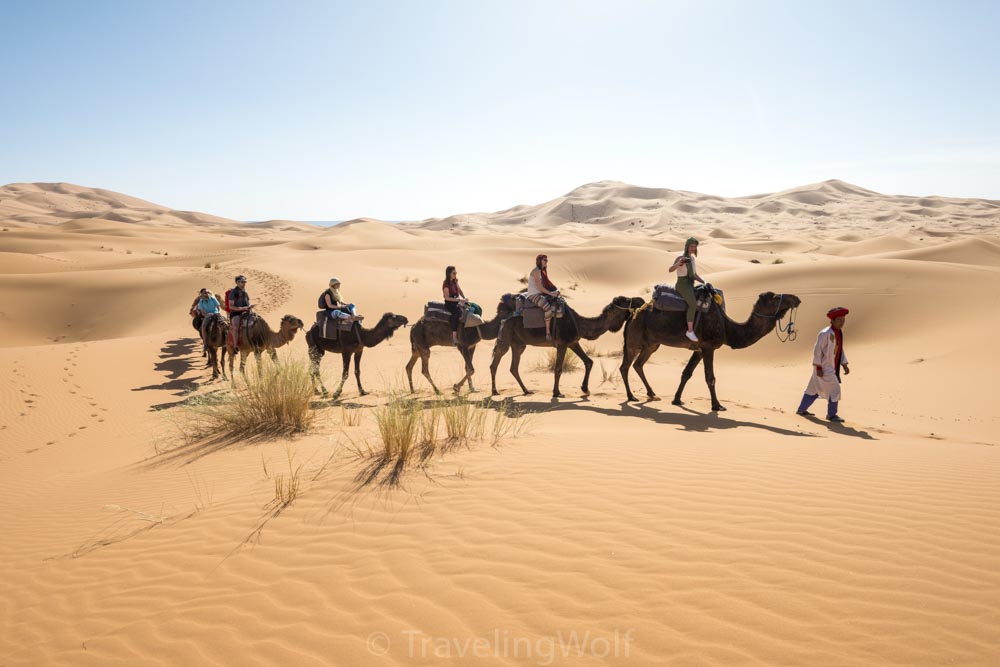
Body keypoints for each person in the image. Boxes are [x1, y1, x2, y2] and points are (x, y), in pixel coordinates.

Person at [796, 307, 851, 422]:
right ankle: (832, 415)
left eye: (843, 320)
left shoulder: (838, 333)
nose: (842, 323)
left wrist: (844, 364)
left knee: (813, 389)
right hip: (824, 368)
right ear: (833, 321)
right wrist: (819, 367)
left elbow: (840, 349)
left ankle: (801, 410)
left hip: (831, 366)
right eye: (839, 320)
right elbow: (817, 351)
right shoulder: (825, 333)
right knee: (835, 389)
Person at [668, 237, 705, 342]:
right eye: (691, 246)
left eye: (695, 247)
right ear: (687, 246)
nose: (693, 248)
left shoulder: (692, 258)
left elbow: (694, 274)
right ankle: (689, 331)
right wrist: (678, 263)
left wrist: (704, 282)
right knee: (693, 304)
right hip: (682, 285)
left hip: (690, 284)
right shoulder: (681, 256)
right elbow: (670, 269)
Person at [526, 254, 560, 341]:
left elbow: (545, 285)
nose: (546, 262)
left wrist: (553, 291)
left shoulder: (542, 271)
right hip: (534, 295)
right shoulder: (536, 271)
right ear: (539, 261)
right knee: (548, 309)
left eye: (547, 260)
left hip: (540, 293)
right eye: (545, 260)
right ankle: (548, 333)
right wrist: (551, 294)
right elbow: (539, 287)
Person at [442, 265, 467, 346]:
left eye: (456, 273)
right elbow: (447, 298)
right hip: (450, 303)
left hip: (456, 301)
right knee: (456, 314)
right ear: (449, 273)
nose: (455, 274)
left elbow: (459, 290)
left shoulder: (455, 281)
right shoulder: (446, 284)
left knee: (469, 309)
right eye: (454, 273)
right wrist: (459, 300)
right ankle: (454, 338)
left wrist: (464, 298)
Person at [227, 275, 252, 348]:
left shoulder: (245, 292)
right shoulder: (233, 293)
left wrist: (249, 306)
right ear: (237, 283)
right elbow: (231, 306)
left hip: (246, 311)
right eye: (242, 282)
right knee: (236, 326)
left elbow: (247, 302)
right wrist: (242, 308)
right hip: (236, 313)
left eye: (245, 282)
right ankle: (235, 346)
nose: (244, 283)